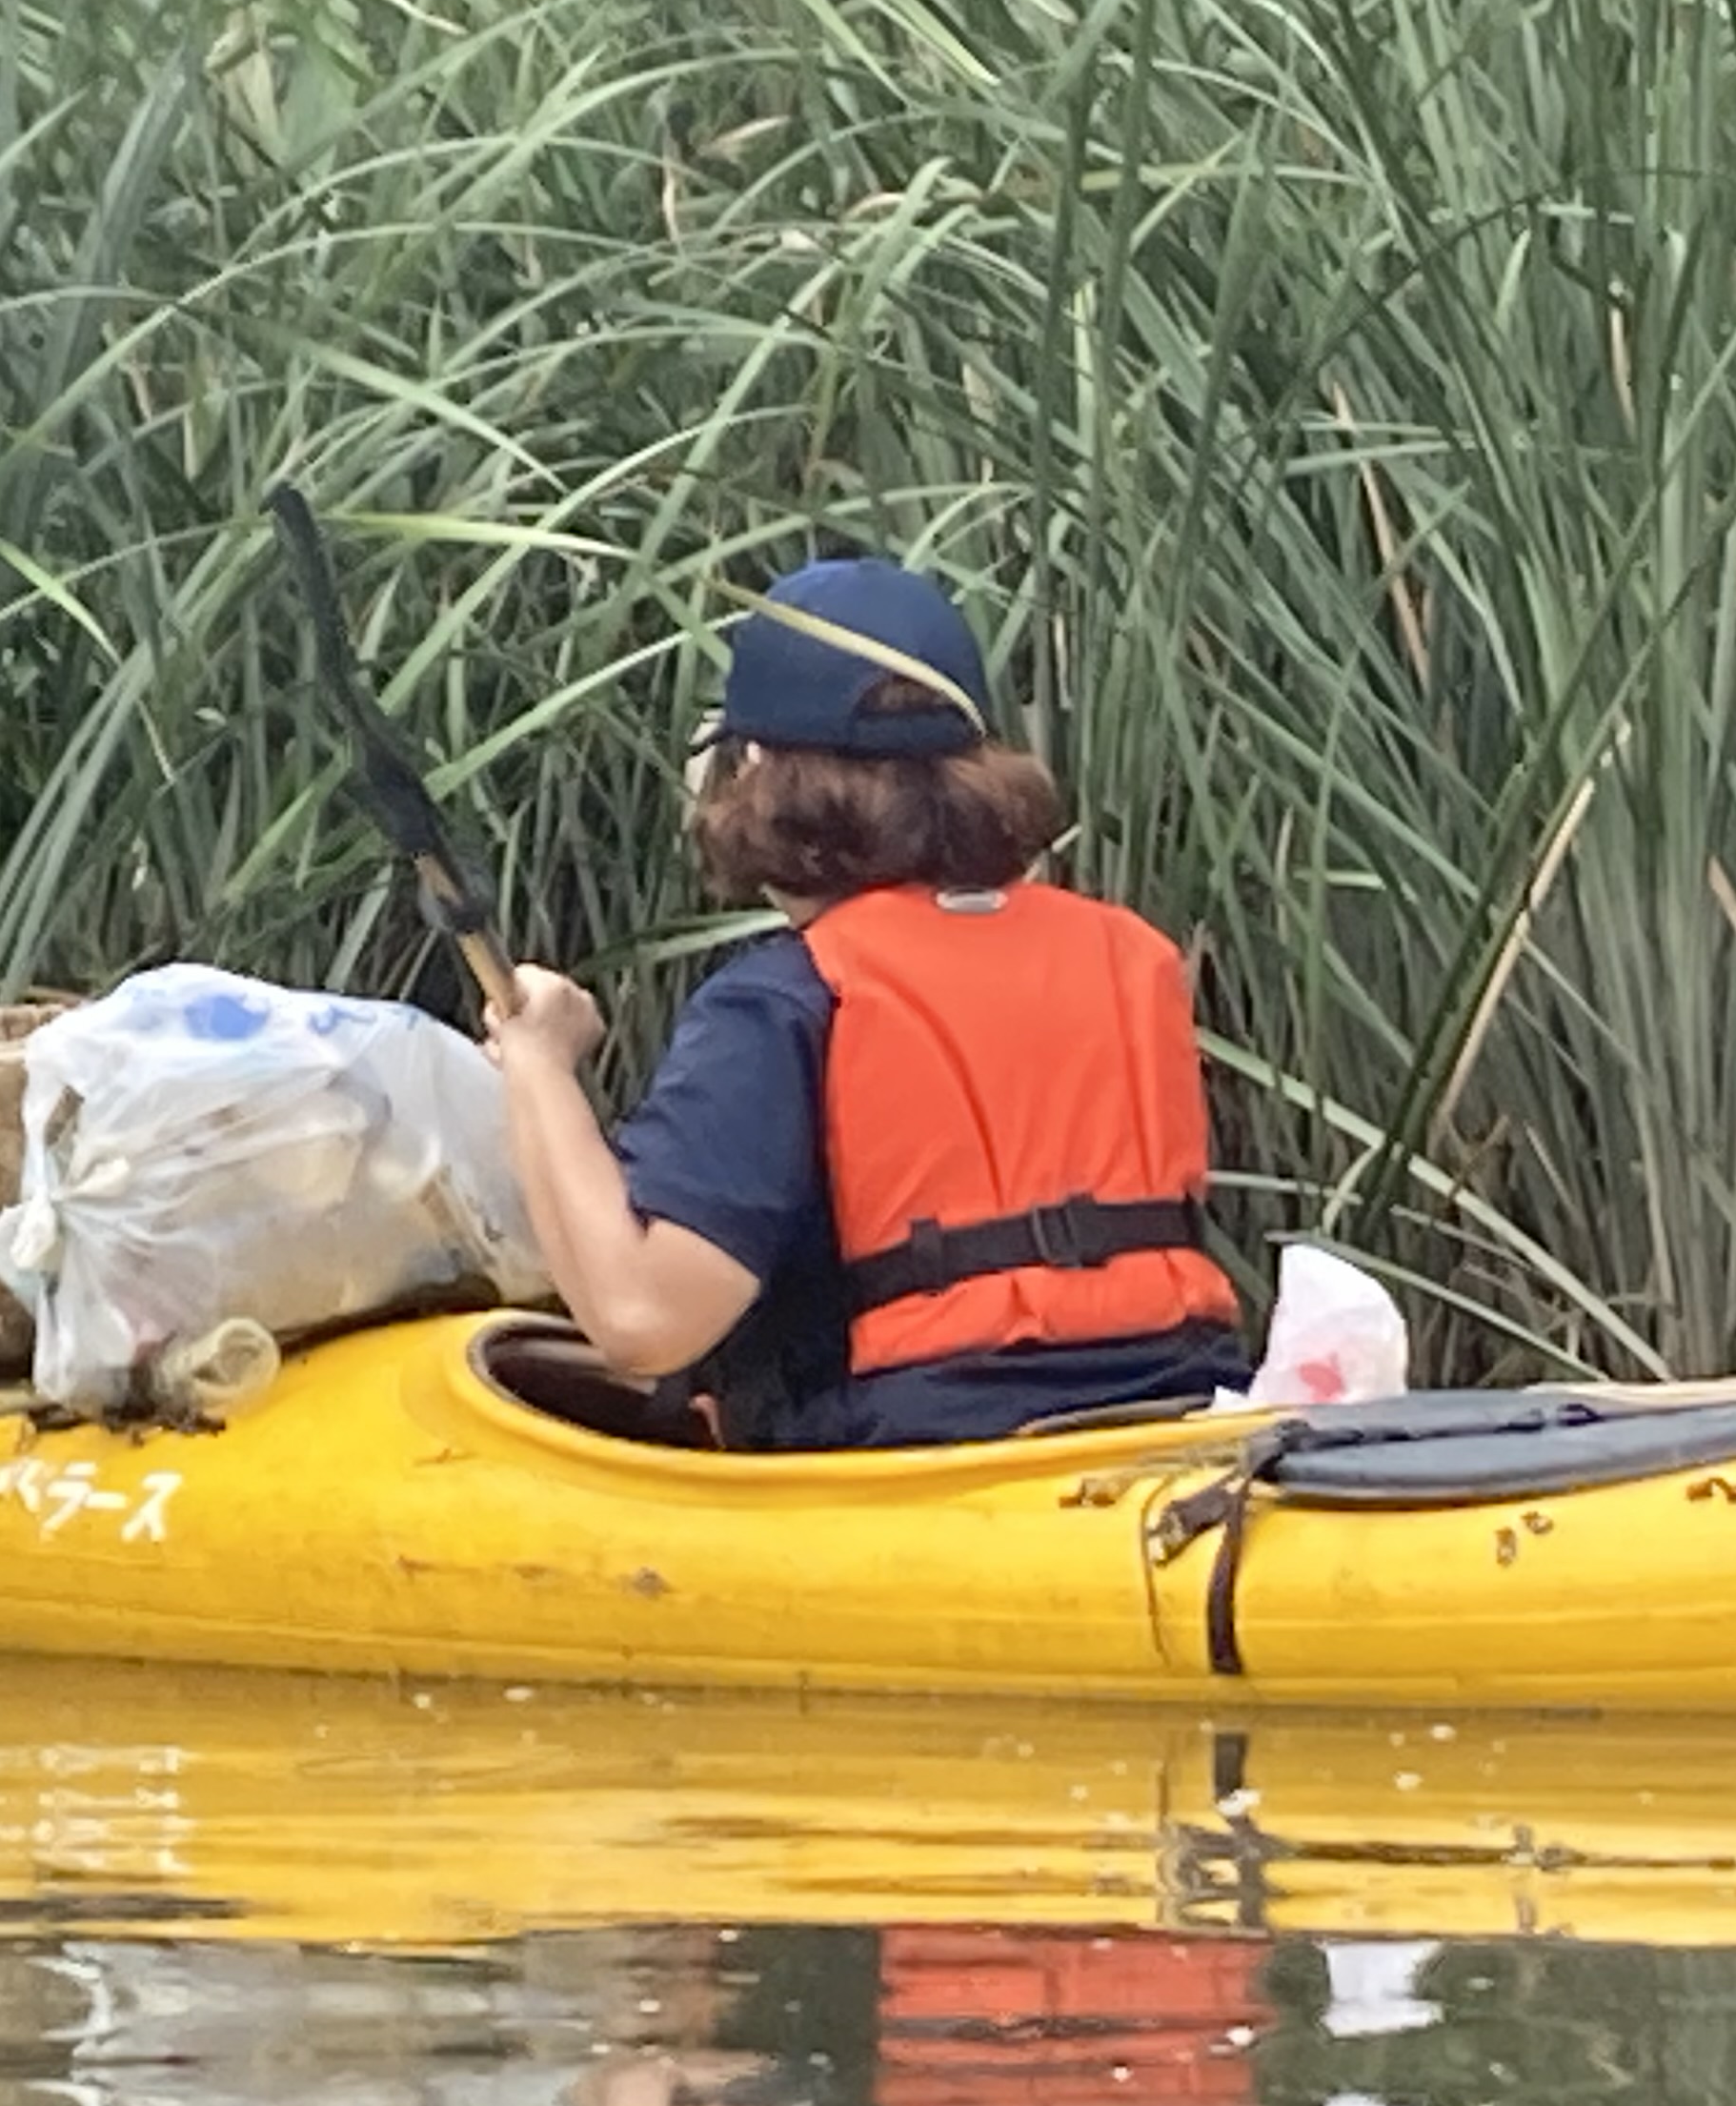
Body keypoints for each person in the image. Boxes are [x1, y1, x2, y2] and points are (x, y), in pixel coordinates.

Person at [485, 554, 1247, 1448]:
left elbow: (646, 1320)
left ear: (755, 773)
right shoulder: (1129, 953)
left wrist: (541, 1065)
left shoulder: (785, 1001)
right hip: (1187, 1415)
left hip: (921, 1451)